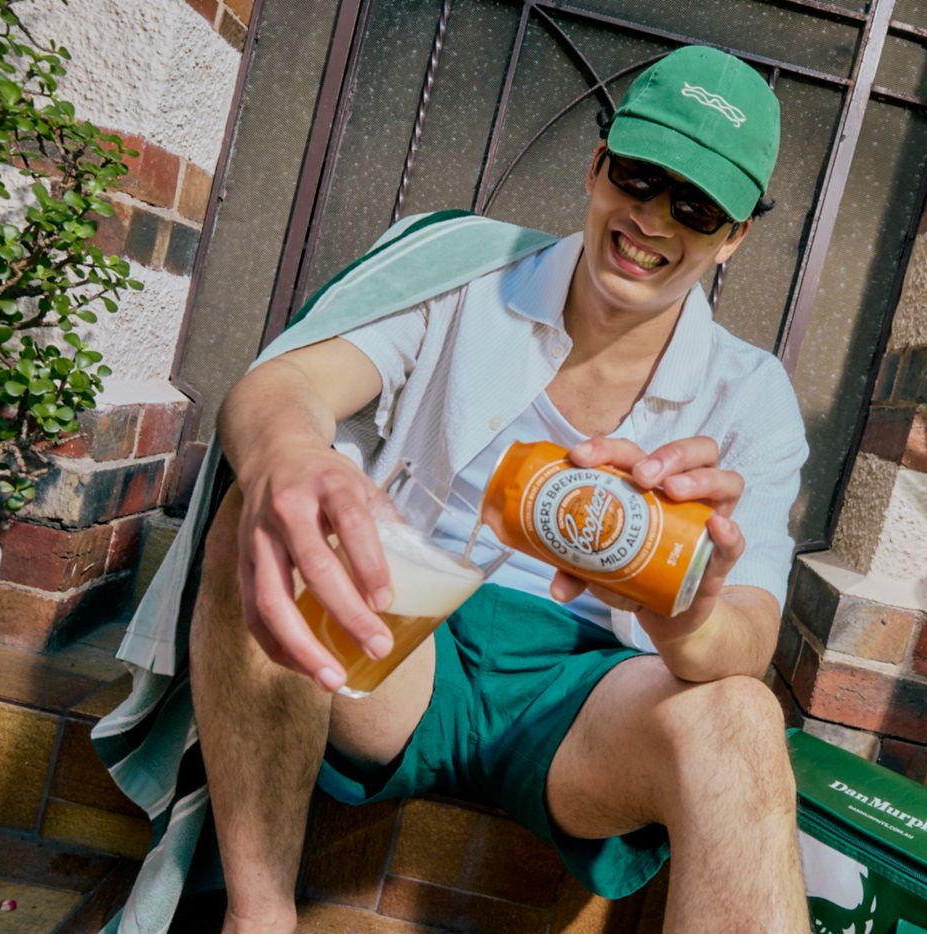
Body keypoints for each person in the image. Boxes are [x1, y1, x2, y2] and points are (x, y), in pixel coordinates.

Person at [96, 44, 810, 933]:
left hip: (590, 698)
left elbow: (750, 636)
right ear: (597, 166)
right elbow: (287, 386)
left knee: (742, 718)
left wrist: (688, 620)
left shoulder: (750, 396)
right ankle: (259, 917)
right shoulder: (466, 279)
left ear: (733, 237)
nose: (653, 218)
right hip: (406, 641)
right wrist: (290, 455)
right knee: (277, 507)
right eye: (639, 175)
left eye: (696, 208)